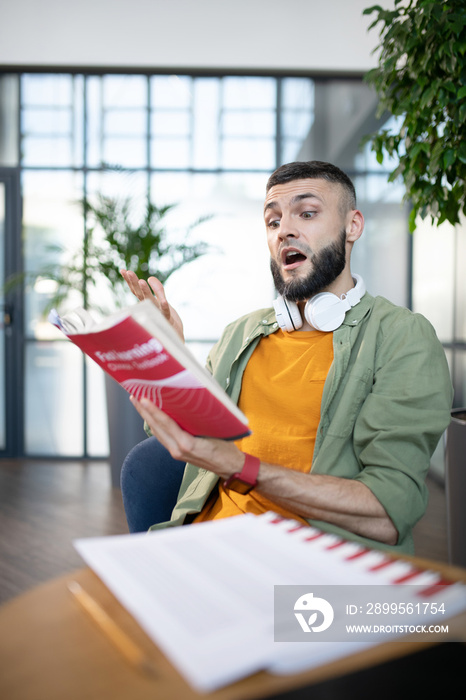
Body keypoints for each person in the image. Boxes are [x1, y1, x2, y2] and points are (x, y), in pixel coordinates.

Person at [120, 161, 453, 554]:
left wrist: (240, 467)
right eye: (273, 221)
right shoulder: (240, 334)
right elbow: (186, 437)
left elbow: (387, 512)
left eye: (307, 213)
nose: (285, 231)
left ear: (353, 226)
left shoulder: (401, 337)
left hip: (309, 570)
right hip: (202, 546)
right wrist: (169, 362)